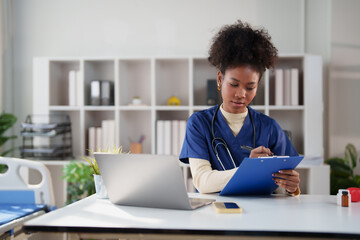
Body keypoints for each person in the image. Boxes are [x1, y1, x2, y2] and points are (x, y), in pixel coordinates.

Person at [179, 20, 300, 196]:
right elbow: (202, 181)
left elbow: (283, 186)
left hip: (260, 216)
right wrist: (249, 169)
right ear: (220, 79)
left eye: (250, 87)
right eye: (234, 84)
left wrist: (292, 187)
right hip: (213, 215)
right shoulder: (199, 123)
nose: (241, 94)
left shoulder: (269, 127)